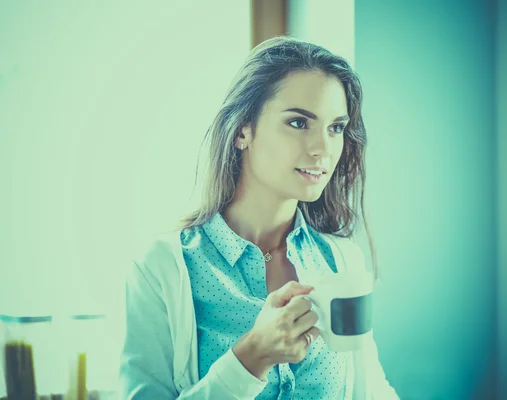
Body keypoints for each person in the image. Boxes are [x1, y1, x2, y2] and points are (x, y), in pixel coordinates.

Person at [119, 36, 399, 399]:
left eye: (335, 128)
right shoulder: (161, 269)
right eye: (299, 123)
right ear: (242, 130)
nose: (323, 149)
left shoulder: (343, 261)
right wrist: (251, 357)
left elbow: (371, 393)